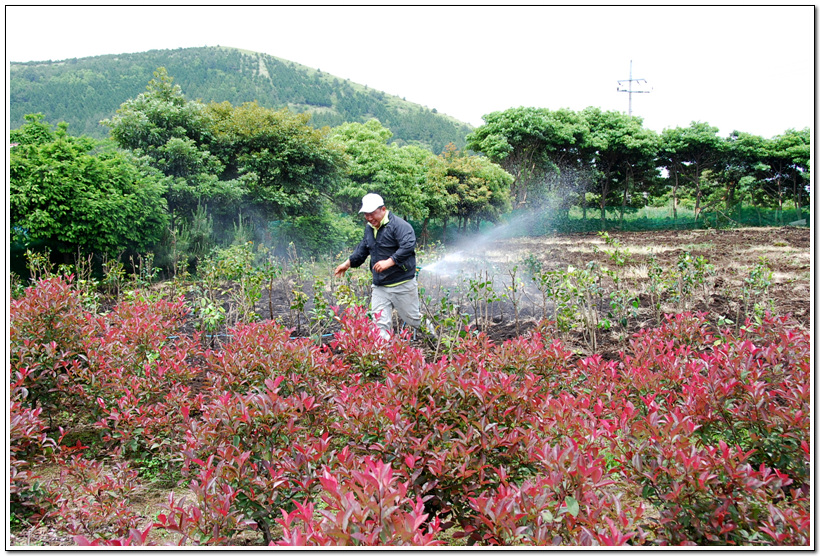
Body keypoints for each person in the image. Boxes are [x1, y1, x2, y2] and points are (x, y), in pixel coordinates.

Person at [334, 193, 431, 341]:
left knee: (413, 319)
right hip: (380, 286)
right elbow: (363, 248)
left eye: (372, 214)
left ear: (383, 209)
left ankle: (437, 338)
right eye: (366, 214)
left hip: (402, 283)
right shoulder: (369, 228)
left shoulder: (400, 226)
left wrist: (389, 261)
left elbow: (408, 246)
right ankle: (383, 358)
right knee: (379, 324)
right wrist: (348, 263)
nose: (369, 218)